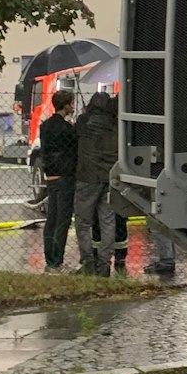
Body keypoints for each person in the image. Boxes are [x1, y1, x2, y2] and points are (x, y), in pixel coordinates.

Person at [72, 92, 124, 277]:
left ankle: (87, 262)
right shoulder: (117, 124)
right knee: (107, 221)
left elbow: (75, 133)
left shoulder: (83, 121)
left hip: (87, 176)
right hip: (109, 177)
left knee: (83, 222)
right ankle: (104, 264)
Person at [39, 90, 79, 271]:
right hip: (65, 178)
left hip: (51, 176)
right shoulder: (68, 130)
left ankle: (49, 259)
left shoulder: (45, 126)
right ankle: (57, 260)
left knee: (51, 219)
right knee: (63, 220)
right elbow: (74, 150)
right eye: (72, 103)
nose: (73, 106)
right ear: (66, 105)